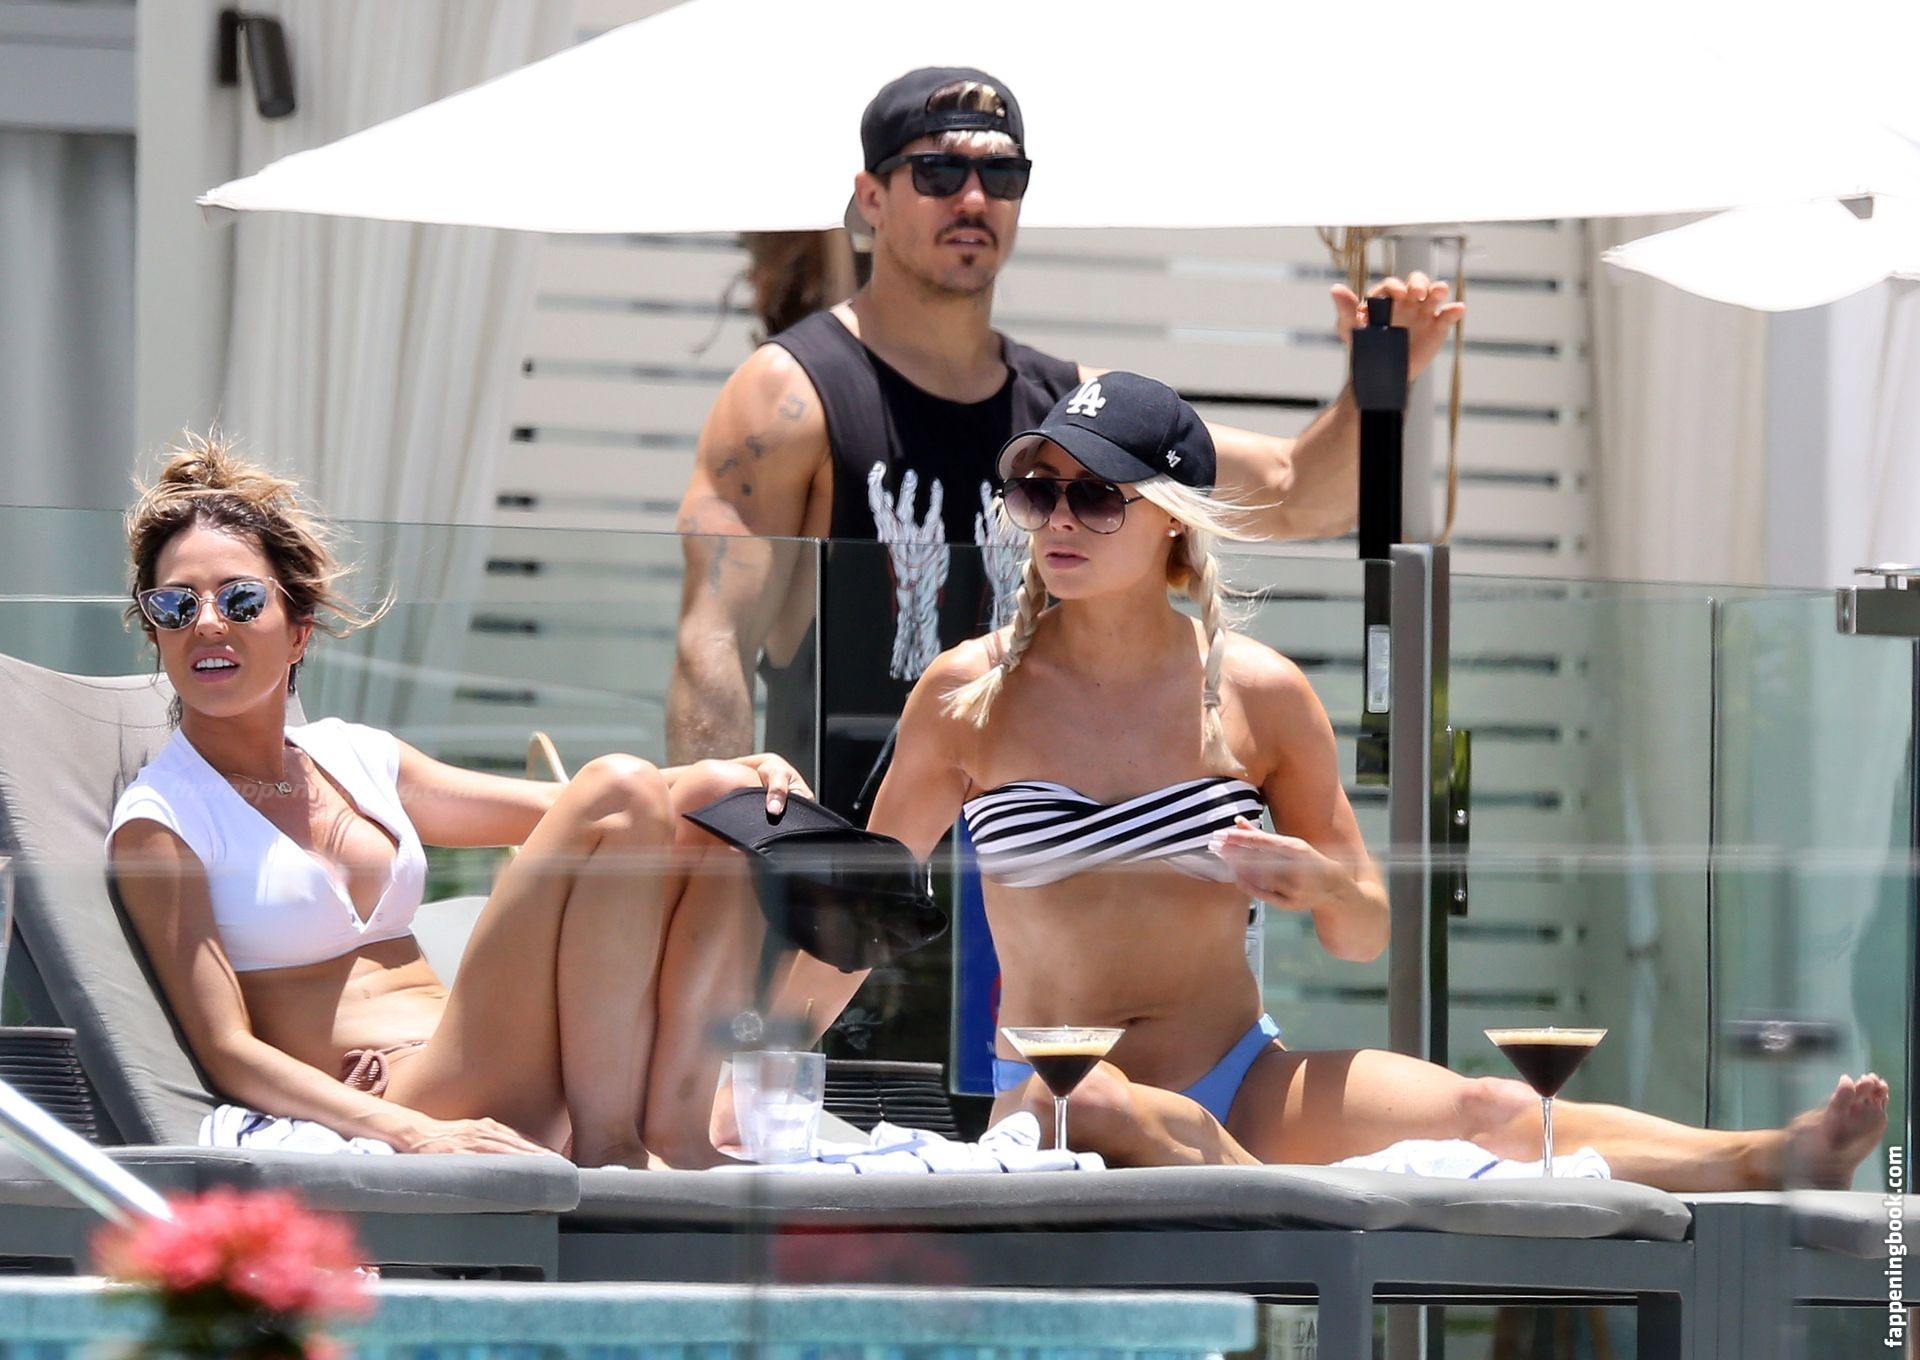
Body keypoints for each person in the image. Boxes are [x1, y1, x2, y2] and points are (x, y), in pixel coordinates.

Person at [827, 371, 1887, 1188]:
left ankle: (1764, 1156)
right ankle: (1272, 1196)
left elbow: (1365, 930)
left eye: (1097, 496)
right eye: (1038, 490)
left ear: (1172, 518)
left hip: (1242, 1073)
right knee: (1098, 1102)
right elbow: (849, 915)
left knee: (1485, 1109)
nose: (1060, 519)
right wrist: (757, 1059)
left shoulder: (1260, 694)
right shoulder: (969, 695)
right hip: (1060, 1093)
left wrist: (1321, 884)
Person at [667, 65, 1466, 808]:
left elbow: (1298, 497)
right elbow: (713, 643)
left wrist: (1376, 383)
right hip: (846, 870)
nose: (973, 198)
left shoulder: (1070, 410)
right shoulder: (793, 395)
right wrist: (727, 840)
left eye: (1002, 176)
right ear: (871, 197)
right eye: (938, 173)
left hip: (1032, 871)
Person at [107, 435, 800, 1169]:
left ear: (299, 631)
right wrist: (402, 1129)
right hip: (413, 1095)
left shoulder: (355, 755)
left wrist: (742, 774)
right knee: (623, 786)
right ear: (155, 631)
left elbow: (596, 809)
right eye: (174, 605)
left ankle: (675, 1131)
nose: (207, 623)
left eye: (240, 599)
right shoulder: (165, 820)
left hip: (500, 1055)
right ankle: (610, 1152)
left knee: (720, 798)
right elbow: (226, 1048)